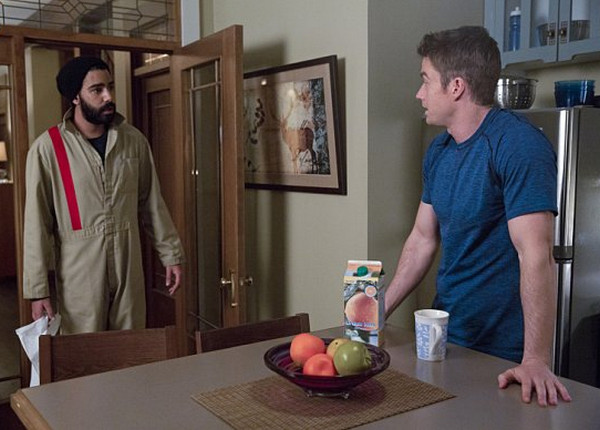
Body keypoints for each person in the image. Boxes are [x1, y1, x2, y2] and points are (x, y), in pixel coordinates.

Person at [384, 26, 571, 407]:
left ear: (456, 87)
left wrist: (535, 359)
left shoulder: (518, 145)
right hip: (447, 337)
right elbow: (422, 239)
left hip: (504, 351)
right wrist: (377, 311)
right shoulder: (439, 151)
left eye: (425, 81)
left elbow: (535, 254)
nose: (419, 93)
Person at [23, 56, 184, 334]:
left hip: (128, 265)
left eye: (109, 87)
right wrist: (38, 290)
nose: (108, 96)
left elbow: (152, 203)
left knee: (131, 345)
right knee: (84, 349)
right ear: (75, 97)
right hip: (79, 274)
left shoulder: (133, 141)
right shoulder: (47, 150)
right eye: (97, 90)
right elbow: (36, 225)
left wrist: (171, 254)